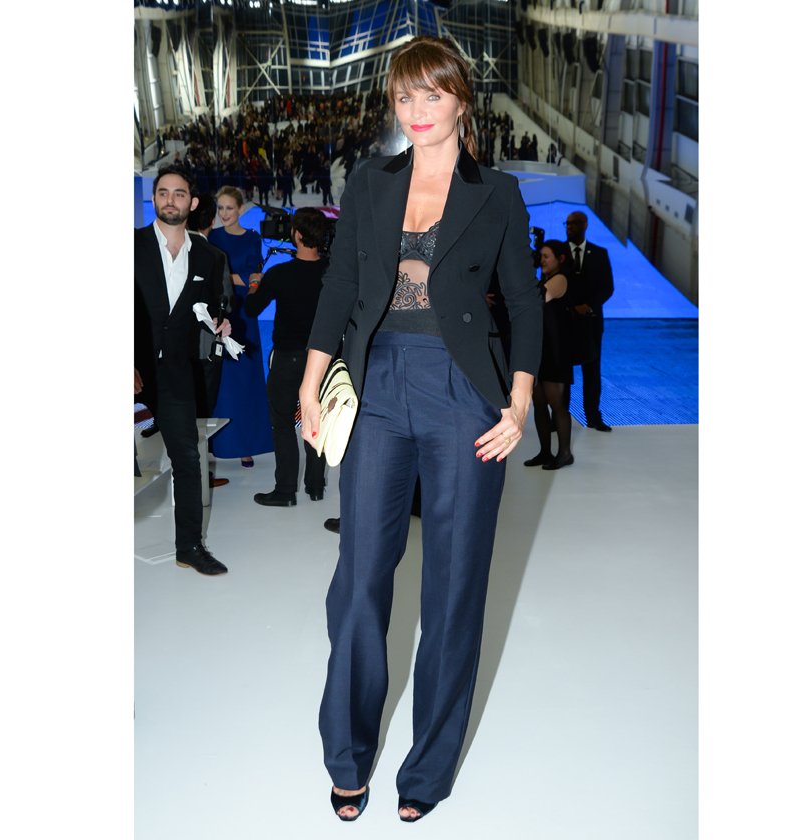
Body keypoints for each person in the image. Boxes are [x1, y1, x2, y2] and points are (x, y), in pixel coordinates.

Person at [297, 36, 542, 824]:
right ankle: (347, 755)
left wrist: (518, 403)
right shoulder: (371, 181)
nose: (417, 110)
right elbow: (339, 284)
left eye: (431, 94)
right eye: (405, 97)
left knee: (455, 585)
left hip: (463, 394)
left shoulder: (496, 192)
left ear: (460, 99)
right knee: (359, 578)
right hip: (376, 386)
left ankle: (427, 770)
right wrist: (310, 382)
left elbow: (524, 301)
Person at [134, 164, 233, 576]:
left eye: (178, 193)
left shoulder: (209, 257)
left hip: (175, 371)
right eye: (163, 192)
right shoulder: (131, 245)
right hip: (133, 361)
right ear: (154, 199)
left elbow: (212, 309)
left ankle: (189, 546)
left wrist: (221, 323)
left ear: (192, 203)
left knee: (188, 458)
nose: (169, 200)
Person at [243, 207, 330, 507]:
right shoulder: (333, 273)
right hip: (323, 359)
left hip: (287, 358)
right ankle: (316, 486)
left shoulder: (279, 274)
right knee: (316, 418)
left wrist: (254, 284)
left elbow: (252, 308)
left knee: (282, 423)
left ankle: (285, 490)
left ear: (296, 235)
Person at [208, 185, 275, 467]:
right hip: (219, 312)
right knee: (222, 381)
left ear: (241, 209)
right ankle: (221, 442)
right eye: (220, 208)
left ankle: (246, 444)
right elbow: (241, 277)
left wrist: (234, 277)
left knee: (246, 380)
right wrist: (239, 277)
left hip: (244, 316)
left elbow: (254, 279)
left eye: (229, 208)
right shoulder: (212, 236)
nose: (224, 213)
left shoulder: (252, 238)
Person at [187, 194, 236, 489]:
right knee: (202, 411)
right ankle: (199, 477)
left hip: (170, 348)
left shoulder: (169, 252)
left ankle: (185, 473)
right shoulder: (215, 255)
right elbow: (225, 301)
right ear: (211, 220)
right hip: (205, 346)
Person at [524, 239, 575, 469]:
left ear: (560, 259)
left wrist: (527, 269)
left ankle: (564, 453)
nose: (542, 260)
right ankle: (545, 452)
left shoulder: (560, 279)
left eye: (546, 257)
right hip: (541, 349)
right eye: (541, 256)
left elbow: (539, 297)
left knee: (557, 404)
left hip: (556, 351)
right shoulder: (545, 278)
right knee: (540, 403)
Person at [563, 210, 615, 431]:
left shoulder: (600, 253)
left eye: (574, 223)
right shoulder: (559, 252)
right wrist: (572, 307)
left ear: (585, 225)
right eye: (567, 223)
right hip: (564, 320)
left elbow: (608, 287)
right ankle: (560, 417)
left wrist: (589, 306)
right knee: (562, 371)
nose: (569, 227)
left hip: (591, 321)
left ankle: (593, 417)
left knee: (592, 371)